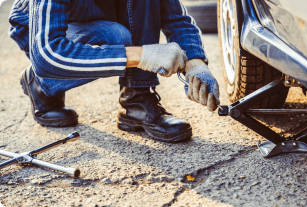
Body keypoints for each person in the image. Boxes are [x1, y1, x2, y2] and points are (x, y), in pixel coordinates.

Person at [8, 0, 220, 143]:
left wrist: (196, 63)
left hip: (101, 15)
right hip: (40, 29)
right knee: (115, 36)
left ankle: (137, 99)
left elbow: (176, 17)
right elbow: (48, 54)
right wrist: (144, 56)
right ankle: (40, 82)